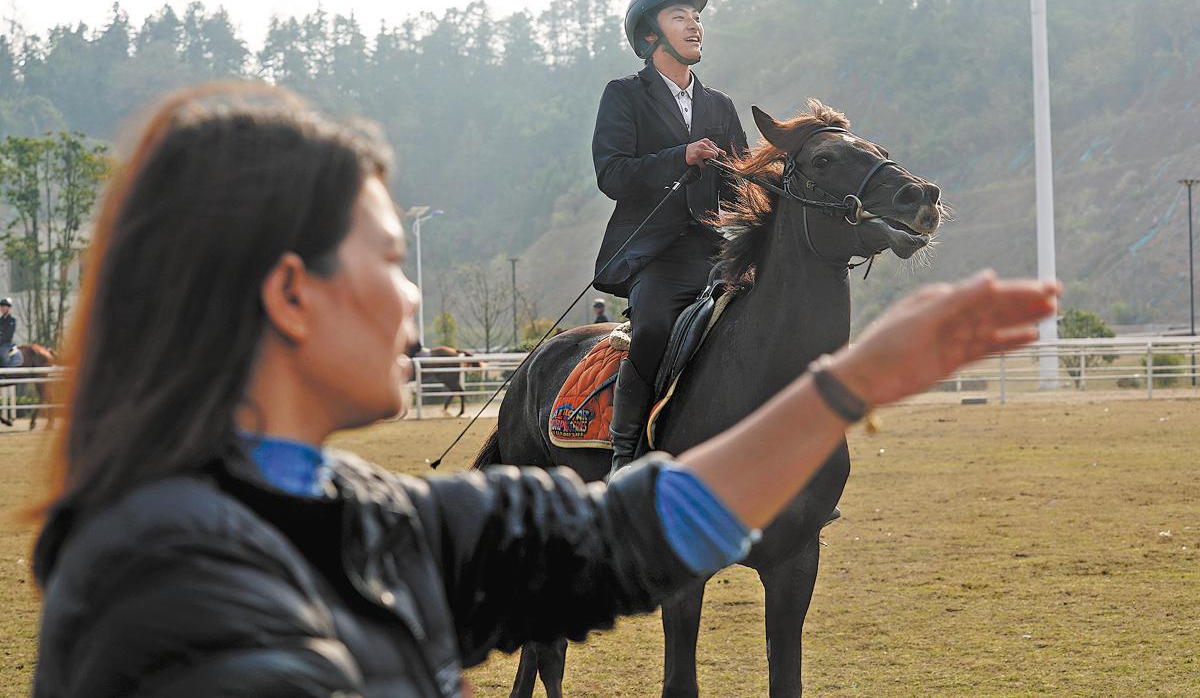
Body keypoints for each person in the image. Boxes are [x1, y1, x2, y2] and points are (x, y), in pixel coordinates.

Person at [30, 83, 1058, 697]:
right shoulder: (176, 588)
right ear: (292, 294)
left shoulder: (363, 515)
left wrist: (850, 383)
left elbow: (632, 530)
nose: (413, 295)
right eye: (389, 260)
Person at [592, 0, 749, 478]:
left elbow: (741, 185)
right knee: (655, 326)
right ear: (650, 36)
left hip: (716, 252)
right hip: (655, 255)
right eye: (680, 16)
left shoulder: (720, 105)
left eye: (696, 17)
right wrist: (679, 156)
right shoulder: (623, 95)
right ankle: (624, 453)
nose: (694, 24)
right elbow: (611, 174)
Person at [0, 298, 20, 368]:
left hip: (7, 344)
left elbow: (8, 335)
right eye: (1, 306)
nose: (2, 308)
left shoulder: (12, 320)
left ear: (8, 308)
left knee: (2, 355)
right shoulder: (0, 320)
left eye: (4, 306)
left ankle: (6, 371)